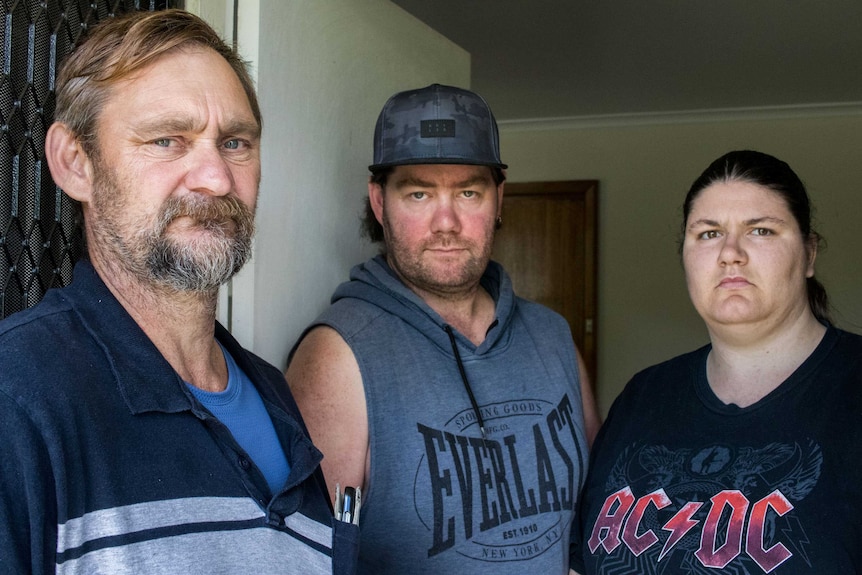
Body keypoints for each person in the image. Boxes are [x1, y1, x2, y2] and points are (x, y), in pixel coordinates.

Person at [0, 10, 357, 574]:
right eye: (167, 140)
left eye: (236, 143)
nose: (215, 178)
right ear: (75, 163)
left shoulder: (273, 396)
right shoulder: (17, 396)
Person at [287, 83, 599, 574]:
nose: (447, 222)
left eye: (468, 192)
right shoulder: (338, 354)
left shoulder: (552, 335)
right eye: (418, 193)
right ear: (379, 202)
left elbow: (597, 518)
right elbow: (305, 561)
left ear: (499, 199)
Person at [570, 150, 862, 574]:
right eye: (707, 234)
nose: (730, 253)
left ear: (809, 254)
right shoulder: (644, 395)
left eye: (760, 230)